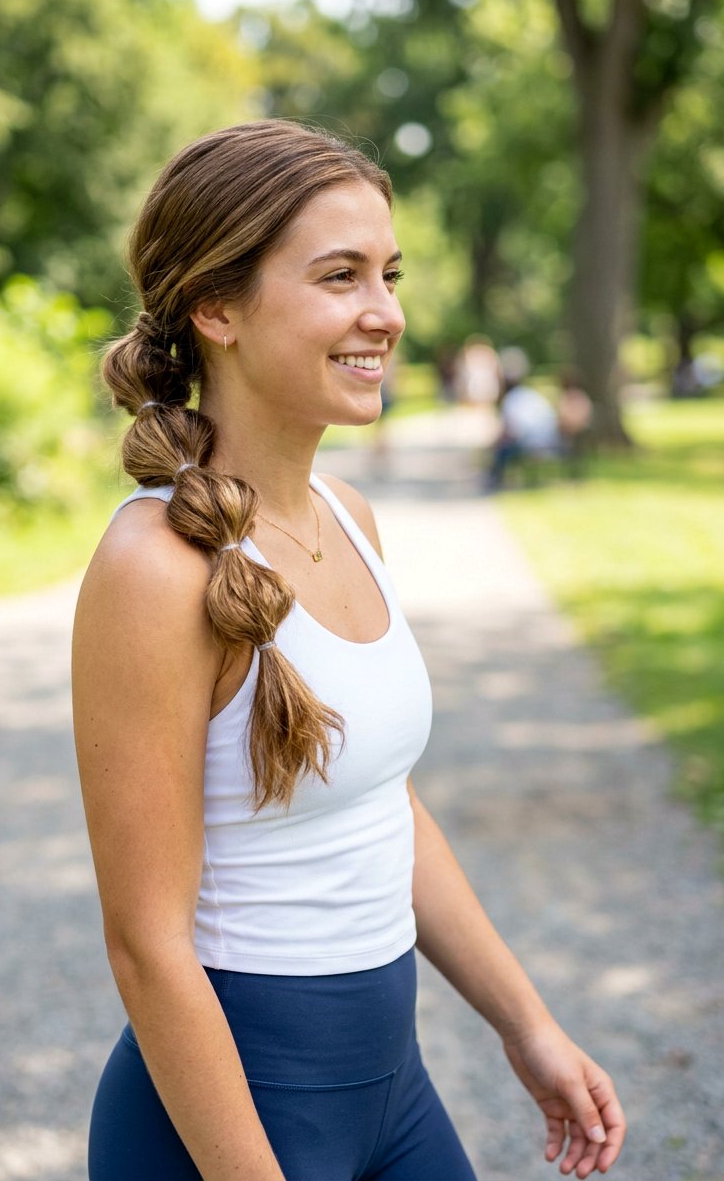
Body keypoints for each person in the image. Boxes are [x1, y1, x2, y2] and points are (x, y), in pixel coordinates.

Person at [71, 120, 626, 1181]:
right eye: (339, 276)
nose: (387, 313)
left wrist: (527, 1025)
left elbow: (382, 806)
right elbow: (146, 946)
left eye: (388, 272)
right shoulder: (154, 569)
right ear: (217, 307)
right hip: (230, 1126)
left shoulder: (348, 514)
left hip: (393, 1093)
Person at [485, 356, 561, 491]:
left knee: (502, 449)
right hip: (550, 439)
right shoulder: (530, 395)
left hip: (532, 443)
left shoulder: (512, 400)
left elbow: (514, 431)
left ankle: (494, 480)